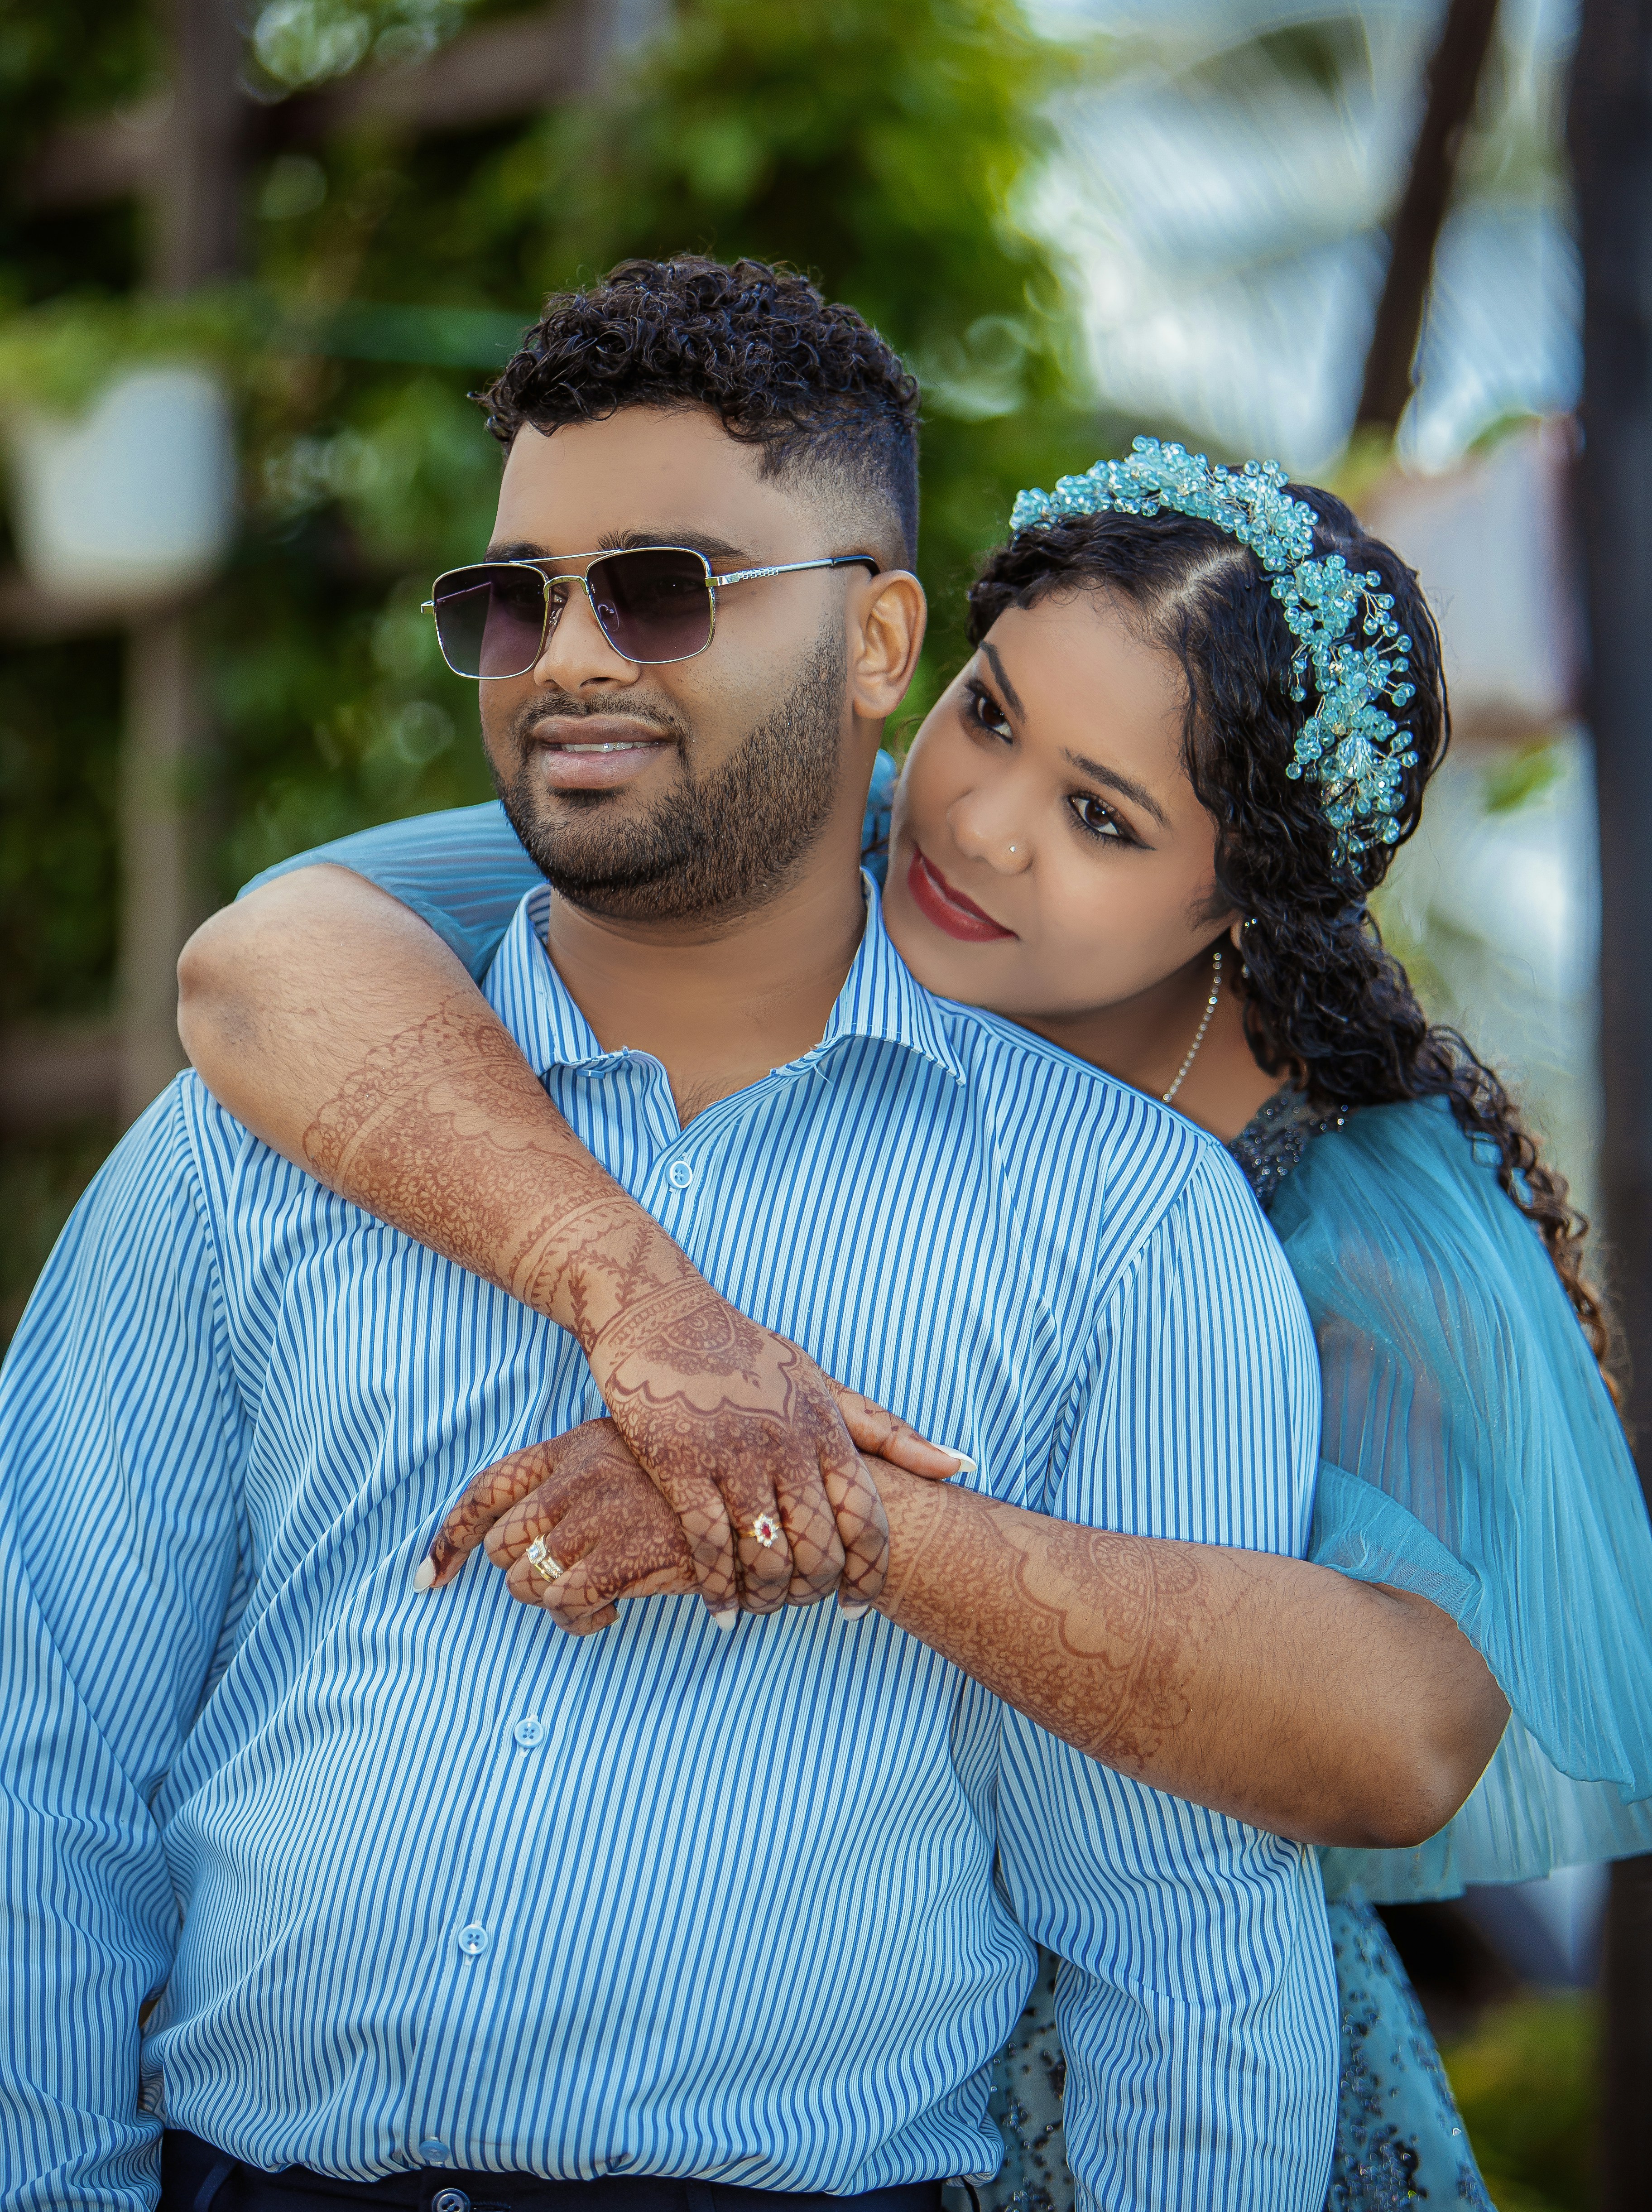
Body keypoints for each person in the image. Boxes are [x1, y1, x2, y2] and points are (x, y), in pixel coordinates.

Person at [182, 408, 1652, 2212]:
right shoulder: (821, 849)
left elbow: (1407, 1735)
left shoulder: (1329, 1184)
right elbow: (268, 962)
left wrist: (821, 1508)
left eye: (1102, 819)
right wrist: (667, 1325)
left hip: (1152, 2025)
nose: (984, 826)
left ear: (1242, 910)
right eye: (994, 713)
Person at [0, 260, 1341, 2212]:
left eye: (658, 589)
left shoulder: (1130, 1237)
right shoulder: (248, 1147)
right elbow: (43, 1748)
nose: (566, 658)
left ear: (882, 638)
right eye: (510, 598)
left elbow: (1177, 1928)